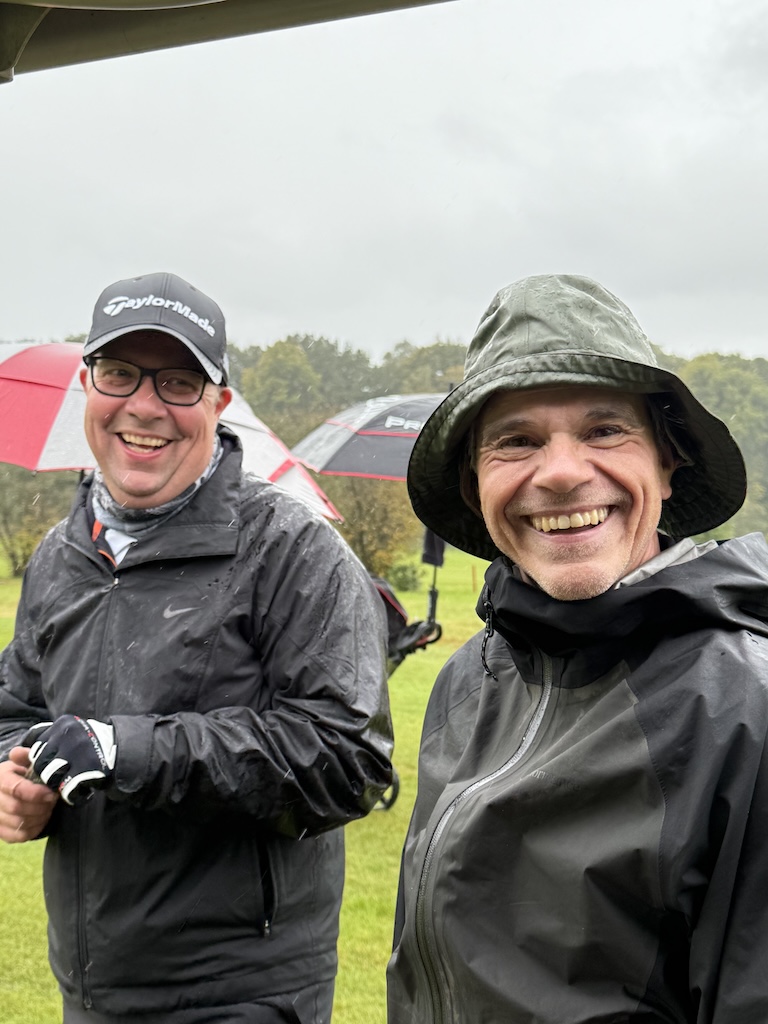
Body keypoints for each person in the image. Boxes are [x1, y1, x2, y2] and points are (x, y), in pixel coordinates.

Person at [0, 271, 393, 1024]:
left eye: (178, 383)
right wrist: (16, 777)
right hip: (91, 988)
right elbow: (15, 708)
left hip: (240, 992)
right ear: (87, 386)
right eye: (120, 373)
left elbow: (348, 760)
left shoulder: (292, 549)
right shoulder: (61, 554)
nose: (145, 406)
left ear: (218, 403)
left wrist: (126, 751)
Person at [387, 274, 768, 1023]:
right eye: (517, 440)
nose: (561, 473)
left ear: (668, 461)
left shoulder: (743, 714)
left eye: (604, 430)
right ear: (475, 484)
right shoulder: (468, 679)